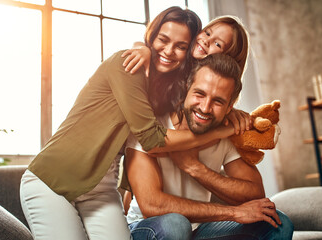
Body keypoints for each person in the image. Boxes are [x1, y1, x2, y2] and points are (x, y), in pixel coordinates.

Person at [19, 7, 246, 240]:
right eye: (162, 40)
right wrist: (219, 132)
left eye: (180, 46)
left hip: (100, 190)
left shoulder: (171, 88)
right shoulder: (127, 64)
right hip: (53, 180)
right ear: (152, 36)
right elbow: (152, 141)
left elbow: (202, 100)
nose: (169, 51)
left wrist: (230, 113)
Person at [125, 54, 294, 240]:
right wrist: (233, 213)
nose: (205, 108)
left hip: (199, 229)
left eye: (218, 101)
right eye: (200, 94)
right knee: (176, 225)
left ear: (230, 107)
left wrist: (195, 168)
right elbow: (152, 205)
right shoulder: (150, 128)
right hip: (148, 227)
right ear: (186, 90)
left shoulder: (226, 134)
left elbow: (254, 193)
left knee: (278, 224)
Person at [122, 14, 251, 134]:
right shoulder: (177, 58)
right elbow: (145, 44)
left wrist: (230, 112)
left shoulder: (205, 105)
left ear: (227, 59)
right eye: (207, 33)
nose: (207, 41)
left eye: (217, 44)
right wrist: (143, 49)